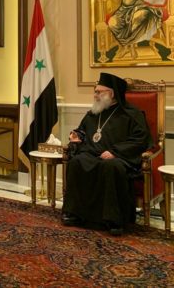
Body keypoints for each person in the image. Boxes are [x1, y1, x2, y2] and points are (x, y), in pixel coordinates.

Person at [62, 72, 152, 236]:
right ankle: (75, 213)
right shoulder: (94, 112)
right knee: (77, 161)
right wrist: (77, 136)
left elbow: (140, 140)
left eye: (99, 92)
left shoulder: (131, 114)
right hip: (92, 154)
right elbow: (83, 131)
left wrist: (115, 152)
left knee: (111, 167)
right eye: (95, 91)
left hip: (118, 157)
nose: (95, 95)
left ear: (111, 93)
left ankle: (113, 220)